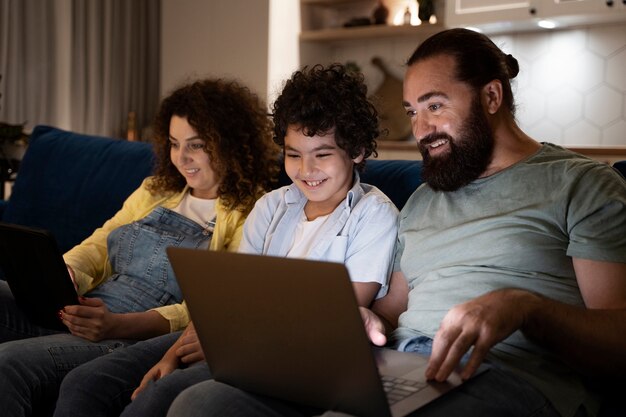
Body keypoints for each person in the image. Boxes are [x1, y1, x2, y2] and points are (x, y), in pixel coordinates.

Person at [166, 28, 626, 417]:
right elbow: (390, 311)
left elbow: (617, 341)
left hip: (507, 376)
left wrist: (526, 307)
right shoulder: (426, 198)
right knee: (202, 404)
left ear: (491, 96)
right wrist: (361, 318)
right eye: (412, 112)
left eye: (435, 106)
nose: (421, 128)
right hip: (397, 368)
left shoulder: (581, 185)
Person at [52, 63, 399, 417]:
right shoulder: (273, 206)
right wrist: (171, 355)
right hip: (229, 334)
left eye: (322, 155)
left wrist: (227, 335)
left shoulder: (373, 215)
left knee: (161, 398)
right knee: (86, 383)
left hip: (283, 352)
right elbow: (227, 298)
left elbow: (333, 317)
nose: (306, 170)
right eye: (294, 155)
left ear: (355, 151)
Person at [0, 78, 279, 416]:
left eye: (197, 145)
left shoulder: (252, 211)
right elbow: (100, 243)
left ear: (231, 144)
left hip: (131, 333)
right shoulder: (155, 189)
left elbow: (207, 310)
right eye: (175, 144)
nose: (182, 158)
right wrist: (66, 274)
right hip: (90, 306)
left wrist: (116, 324)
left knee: (8, 363)